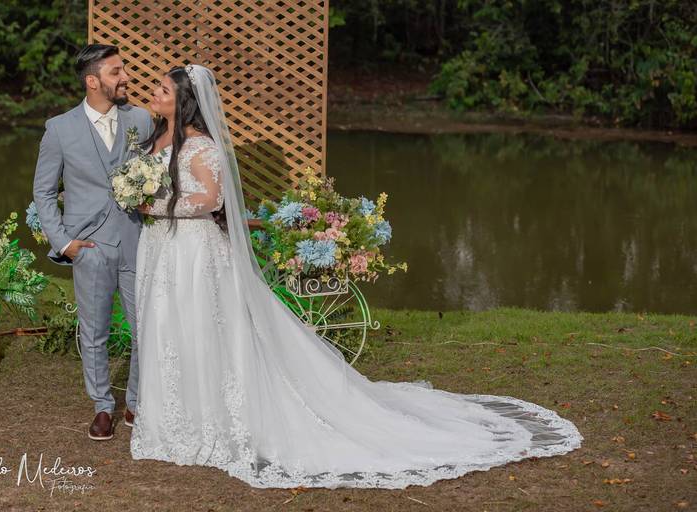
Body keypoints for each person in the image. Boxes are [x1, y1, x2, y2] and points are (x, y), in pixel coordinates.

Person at [130, 64, 582, 489]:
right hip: (163, 248)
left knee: (201, 326)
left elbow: (211, 200)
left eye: (163, 90)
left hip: (193, 250)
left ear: (184, 102)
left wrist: (158, 206)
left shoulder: (202, 148)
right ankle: (174, 414)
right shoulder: (157, 137)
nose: (154, 92)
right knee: (169, 327)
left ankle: (210, 418)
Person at [33, 44, 153, 441]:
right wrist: (63, 242)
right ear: (92, 81)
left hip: (136, 240)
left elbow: (157, 171)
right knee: (94, 332)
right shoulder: (59, 129)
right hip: (88, 246)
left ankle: (135, 400)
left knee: (145, 328)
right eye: (116, 71)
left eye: (124, 69)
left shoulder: (141, 120)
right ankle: (102, 406)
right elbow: (44, 192)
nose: (126, 77)